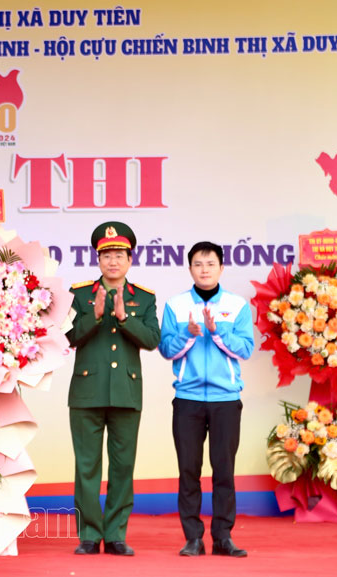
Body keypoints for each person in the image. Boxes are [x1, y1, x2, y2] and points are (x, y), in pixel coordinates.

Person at [66, 221, 160, 556]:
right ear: (98, 259)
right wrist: (94, 316)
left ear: (130, 259)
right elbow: (68, 337)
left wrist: (124, 318)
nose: (113, 261)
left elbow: (152, 340)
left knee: (123, 467)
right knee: (87, 467)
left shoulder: (144, 298)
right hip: (86, 393)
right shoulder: (79, 294)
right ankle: (89, 535)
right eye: (106, 255)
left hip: (126, 394)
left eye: (119, 255)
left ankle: (117, 534)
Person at [158, 242, 254, 558]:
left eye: (210, 264)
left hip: (226, 399)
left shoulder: (237, 305)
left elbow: (246, 349)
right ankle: (193, 539)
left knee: (224, 470)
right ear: (190, 269)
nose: (204, 269)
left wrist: (217, 332)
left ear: (221, 268)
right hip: (187, 399)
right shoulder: (176, 305)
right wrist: (188, 333)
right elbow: (166, 350)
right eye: (198, 264)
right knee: (189, 470)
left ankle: (223, 537)